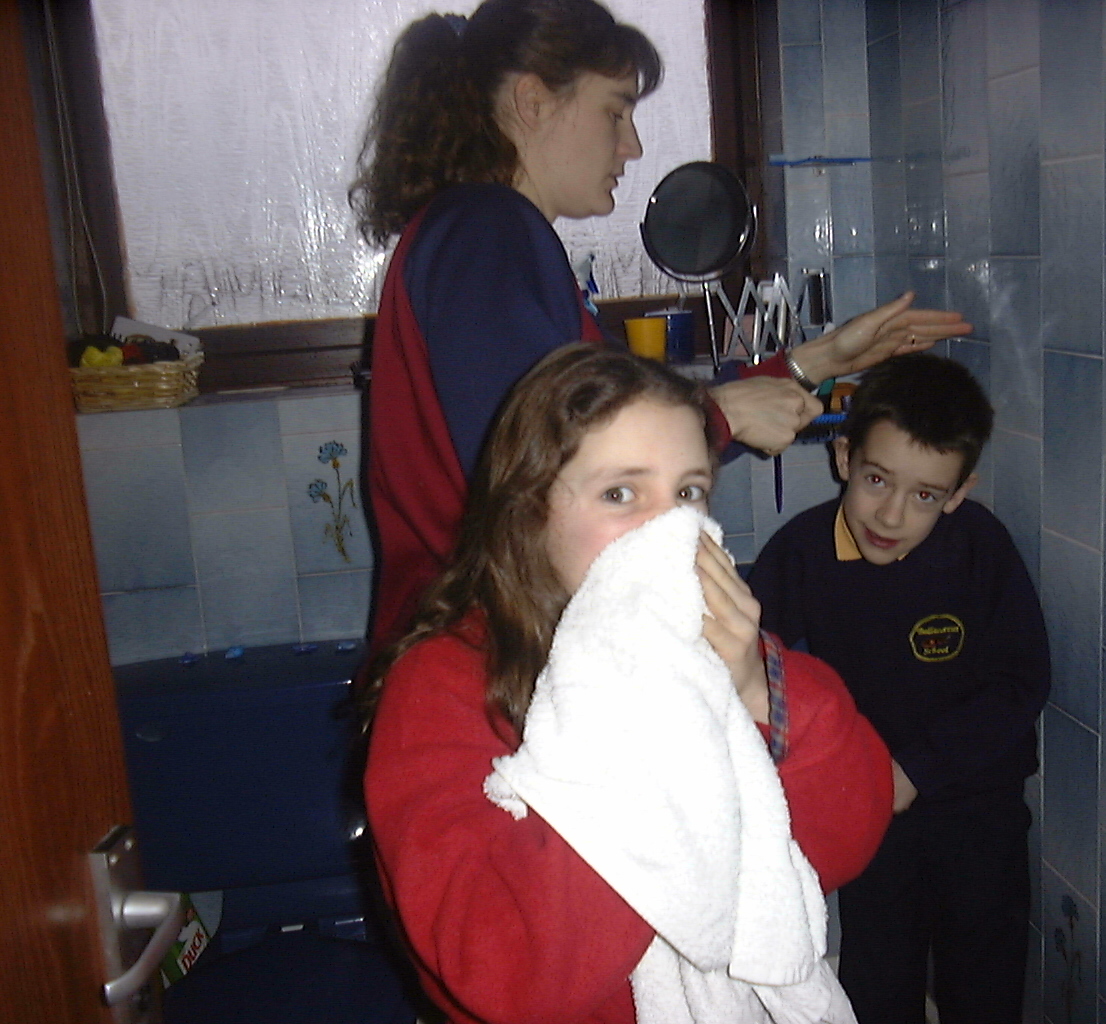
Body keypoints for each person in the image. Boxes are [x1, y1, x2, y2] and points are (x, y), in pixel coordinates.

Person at [348, 0, 972, 652]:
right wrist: (724, 413)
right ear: (532, 101)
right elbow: (543, 461)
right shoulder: (488, 231)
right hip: (483, 659)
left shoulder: (481, 233)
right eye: (615, 112)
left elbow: (596, 424)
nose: (633, 145)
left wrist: (814, 362)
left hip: (492, 645)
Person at [362, 344, 894, 1024]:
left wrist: (753, 690)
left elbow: (843, 839)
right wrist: (664, 727)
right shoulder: (442, 686)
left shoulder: (720, 655)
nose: (669, 529)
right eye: (621, 494)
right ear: (529, 513)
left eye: (688, 493)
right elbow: (506, 970)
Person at [748, 353, 1051, 1024]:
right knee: (878, 983)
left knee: (986, 987)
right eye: (877, 480)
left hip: (980, 814)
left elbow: (1022, 680)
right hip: (870, 819)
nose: (891, 515)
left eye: (925, 496)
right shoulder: (799, 556)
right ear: (844, 458)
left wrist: (916, 769)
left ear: (958, 493)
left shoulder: (979, 548)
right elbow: (756, 675)